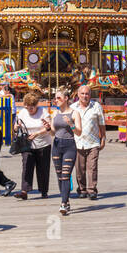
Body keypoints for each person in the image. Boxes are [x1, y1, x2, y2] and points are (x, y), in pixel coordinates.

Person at [13, 92, 53, 200]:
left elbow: (49, 128)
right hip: (27, 144)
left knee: (43, 168)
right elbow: (15, 128)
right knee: (26, 166)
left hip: (43, 143)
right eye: (28, 107)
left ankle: (44, 191)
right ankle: (24, 191)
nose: (30, 110)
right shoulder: (22, 113)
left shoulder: (43, 112)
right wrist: (16, 127)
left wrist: (37, 133)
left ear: (36, 105)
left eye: (32, 107)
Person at [48, 87, 78, 216]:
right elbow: (53, 132)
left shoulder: (74, 113)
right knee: (60, 175)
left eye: (58, 98)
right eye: (55, 98)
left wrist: (71, 124)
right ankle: (66, 200)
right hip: (56, 145)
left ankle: (63, 203)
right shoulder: (55, 114)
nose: (56, 100)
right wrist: (47, 128)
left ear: (66, 98)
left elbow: (79, 131)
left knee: (66, 175)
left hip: (69, 145)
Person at [72, 84, 105, 201]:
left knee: (92, 167)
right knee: (79, 168)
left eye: (87, 94)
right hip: (78, 142)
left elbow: (101, 123)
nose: (85, 96)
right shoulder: (73, 107)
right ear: (78, 95)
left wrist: (103, 138)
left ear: (90, 95)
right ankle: (82, 189)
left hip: (93, 142)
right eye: (82, 94)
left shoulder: (96, 106)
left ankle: (92, 190)